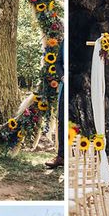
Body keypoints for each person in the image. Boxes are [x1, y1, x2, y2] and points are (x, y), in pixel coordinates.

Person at [46, 38, 64, 170]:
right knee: (61, 120)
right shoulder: (64, 42)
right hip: (65, 85)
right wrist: (62, 76)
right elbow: (58, 63)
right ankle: (61, 156)